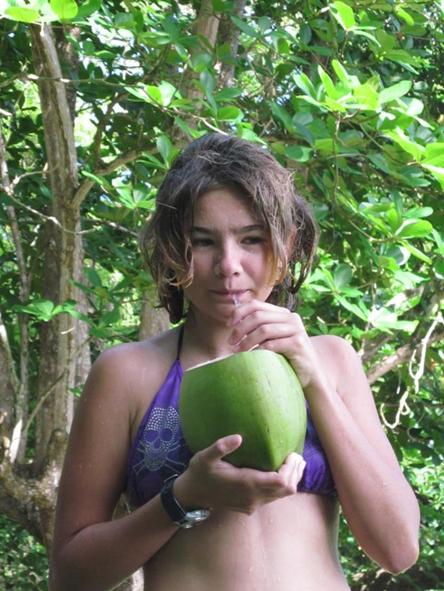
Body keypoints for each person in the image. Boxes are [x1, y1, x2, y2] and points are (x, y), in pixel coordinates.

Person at [50, 133, 420, 591]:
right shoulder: (127, 374)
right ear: (172, 252)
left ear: (284, 248)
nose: (229, 265)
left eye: (251, 239)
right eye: (203, 241)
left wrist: (316, 385)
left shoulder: (332, 359)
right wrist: (182, 498)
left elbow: (399, 548)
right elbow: (69, 575)